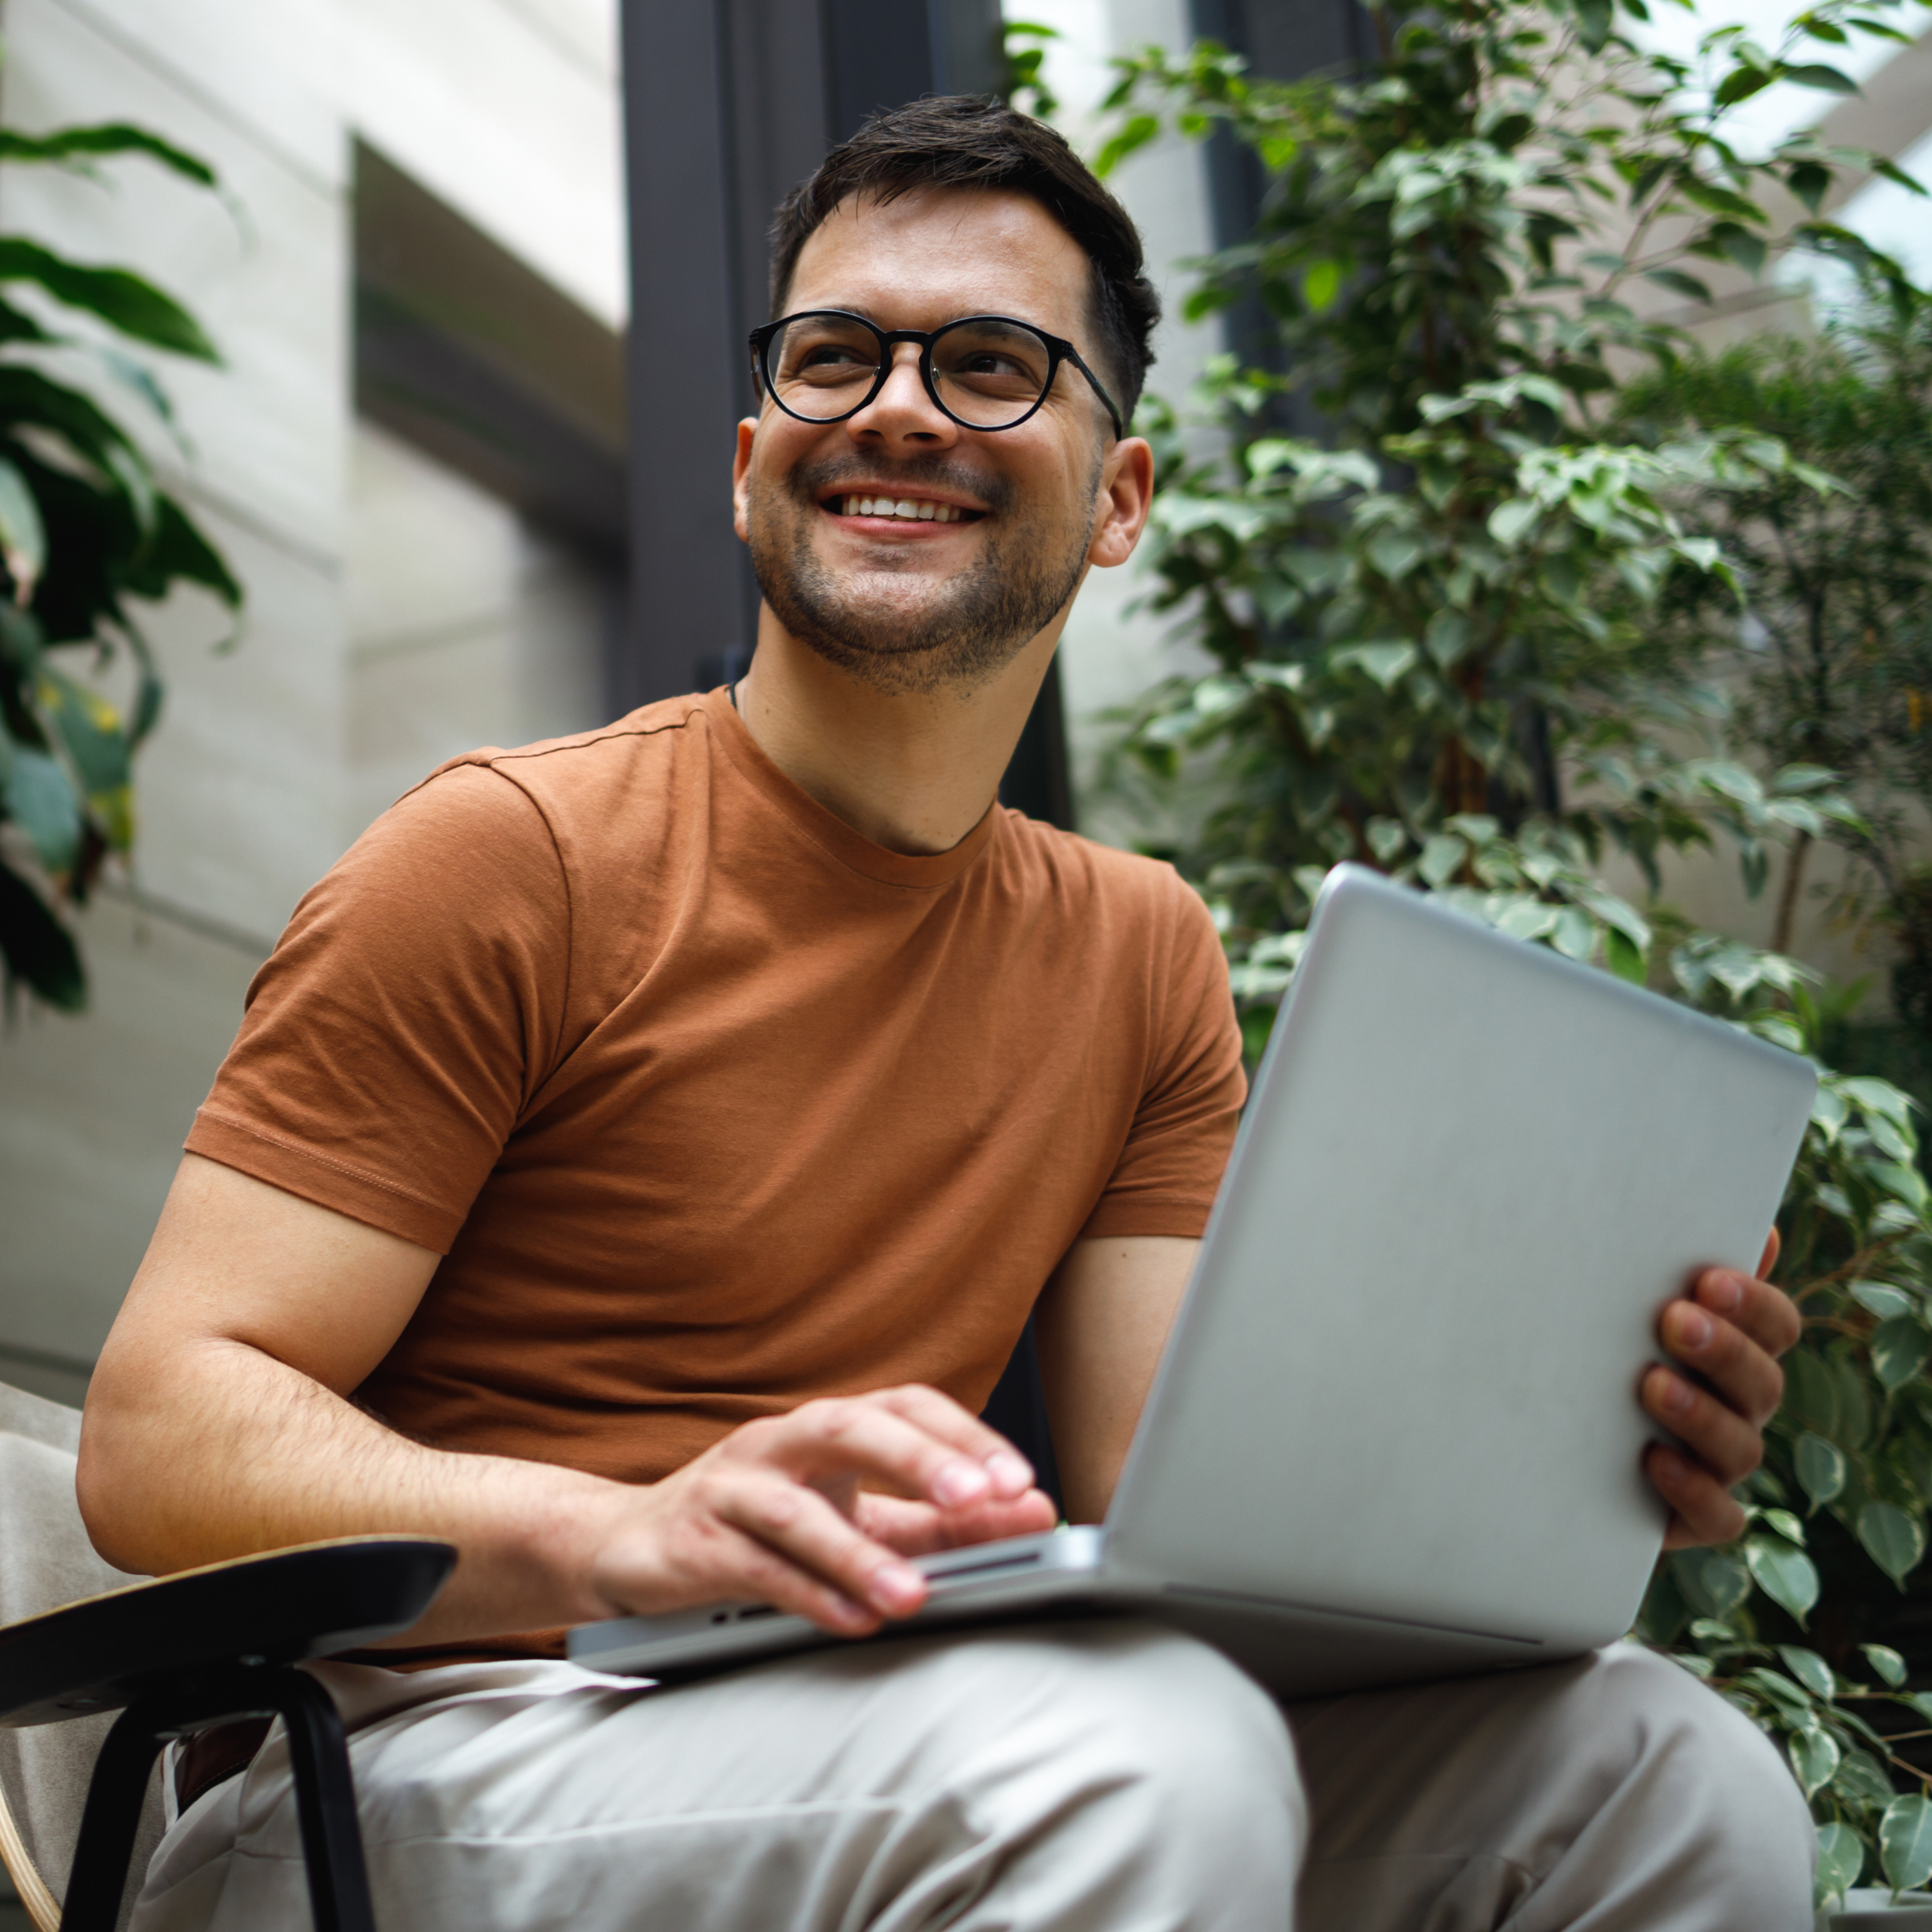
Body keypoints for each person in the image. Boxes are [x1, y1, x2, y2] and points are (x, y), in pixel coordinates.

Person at [80, 97, 1813, 1931]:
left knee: (1661, 1773)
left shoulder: (1138, 952)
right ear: (749, 463)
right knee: (1130, 1756)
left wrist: (1564, 1455)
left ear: (1120, 498)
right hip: (407, 1758)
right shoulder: (514, 853)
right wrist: (624, 1532)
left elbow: (1183, 1526)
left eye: (990, 364)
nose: (897, 408)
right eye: (837, 357)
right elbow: (158, 1430)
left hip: (880, 1726)